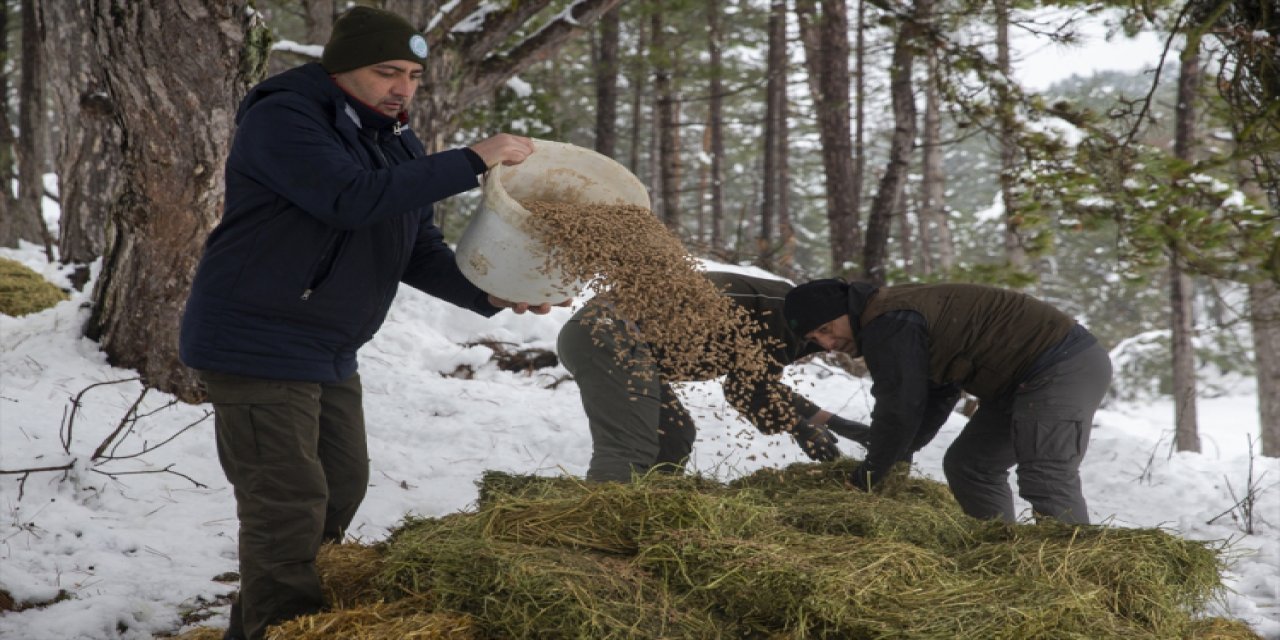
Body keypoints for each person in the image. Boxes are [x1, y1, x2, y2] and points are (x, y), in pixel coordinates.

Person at [178, 7, 556, 639]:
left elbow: (415, 247)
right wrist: (471, 158)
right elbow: (348, 198)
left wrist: (493, 292)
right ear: (341, 68)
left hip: (327, 347)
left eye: (413, 75)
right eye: (387, 72)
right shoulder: (284, 118)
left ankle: (270, 621)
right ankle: (281, 627)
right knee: (287, 505)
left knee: (341, 485)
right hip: (256, 340)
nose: (403, 88)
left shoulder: (393, 138)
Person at [783, 280, 1112, 525]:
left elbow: (899, 407)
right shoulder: (890, 317)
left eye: (826, 328)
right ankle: (1001, 551)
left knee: (1046, 475)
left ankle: (1075, 576)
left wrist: (868, 476)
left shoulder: (889, 322)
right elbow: (937, 393)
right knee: (970, 465)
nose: (828, 344)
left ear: (845, 310)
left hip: (1060, 364)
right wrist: (899, 455)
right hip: (1019, 383)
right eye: (816, 339)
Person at [557, 271, 873, 482]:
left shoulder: (803, 321)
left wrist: (840, 426)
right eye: (826, 333)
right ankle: (599, 526)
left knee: (672, 438)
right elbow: (748, 392)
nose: (829, 344)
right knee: (630, 446)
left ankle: (645, 516)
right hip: (607, 331)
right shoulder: (786, 312)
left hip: (624, 341)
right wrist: (802, 429)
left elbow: (756, 383)